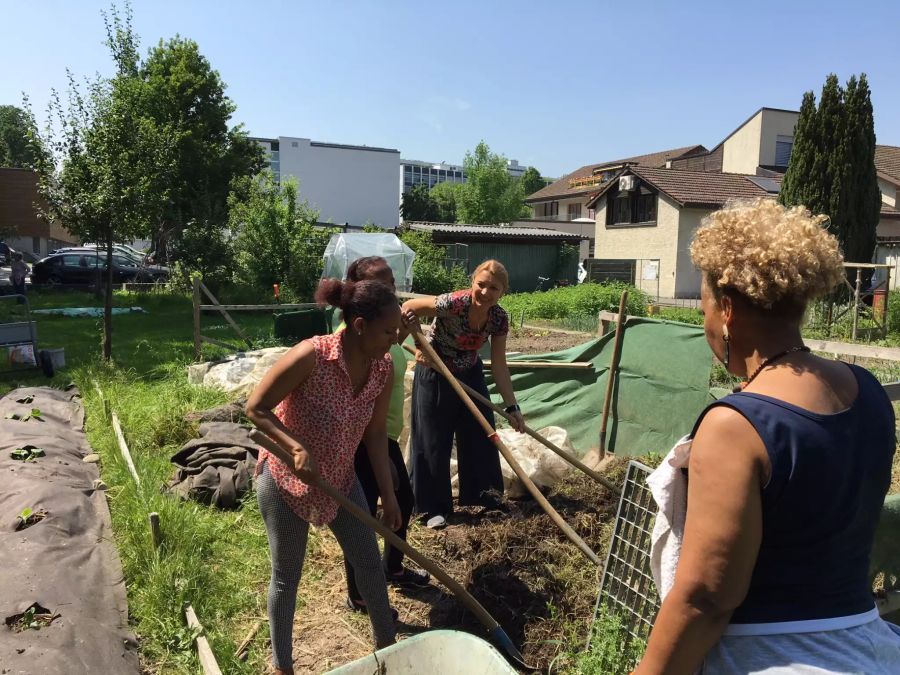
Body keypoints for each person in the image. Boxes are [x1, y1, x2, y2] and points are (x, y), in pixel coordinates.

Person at [636, 199, 900, 674]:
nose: (706, 325)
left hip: (772, 658)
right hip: (868, 645)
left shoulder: (736, 425)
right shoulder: (869, 395)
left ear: (728, 309)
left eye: (705, 308)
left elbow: (705, 598)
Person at [246, 277, 402, 675]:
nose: (396, 339)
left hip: (341, 479)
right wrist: (296, 447)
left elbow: (375, 437)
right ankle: (282, 666)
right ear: (360, 326)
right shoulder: (312, 355)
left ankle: (390, 653)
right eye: (388, 331)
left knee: (369, 564)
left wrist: (389, 495)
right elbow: (256, 408)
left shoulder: (382, 369)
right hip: (285, 478)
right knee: (287, 576)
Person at [401, 259, 525, 530]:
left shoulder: (498, 319)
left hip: (469, 371)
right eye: (481, 285)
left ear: (502, 292)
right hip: (436, 370)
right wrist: (419, 343)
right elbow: (409, 307)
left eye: (493, 288)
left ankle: (487, 498)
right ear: (472, 283)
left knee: (481, 431)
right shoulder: (454, 303)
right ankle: (431, 508)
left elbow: (500, 364)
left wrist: (512, 406)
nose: (485, 292)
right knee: (433, 439)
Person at [340, 256, 430, 615]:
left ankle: (391, 568)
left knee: (402, 502)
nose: (391, 290)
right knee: (360, 516)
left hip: (385, 432)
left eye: (392, 283)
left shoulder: (382, 331)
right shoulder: (352, 335)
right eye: (382, 285)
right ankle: (360, 593)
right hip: (361, 437)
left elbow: (390, 351)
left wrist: (402, 331)